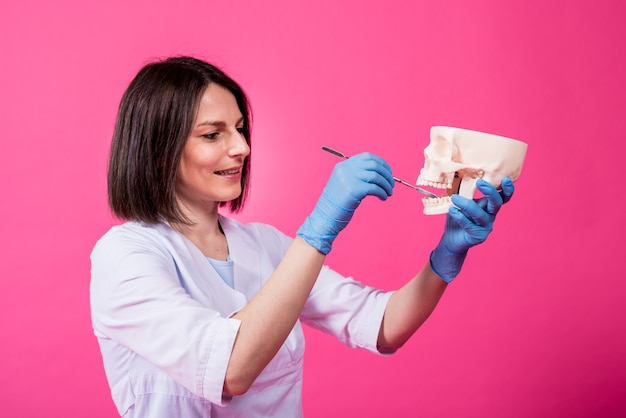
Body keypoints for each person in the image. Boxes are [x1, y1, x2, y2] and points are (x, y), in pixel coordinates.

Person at [90, 56, 515, 417]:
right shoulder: (125, 257)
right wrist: (319, 229)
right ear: (160, 151)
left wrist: (445, 257)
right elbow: (231, 368)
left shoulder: (266, 246)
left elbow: (383, 326)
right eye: (212, 134)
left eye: (240, 129)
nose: (241, 147)